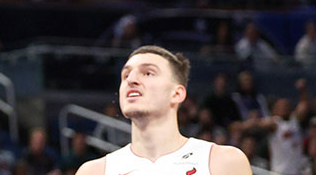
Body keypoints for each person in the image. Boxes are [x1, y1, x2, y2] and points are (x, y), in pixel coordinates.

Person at [75, 45, 251, 174]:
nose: (131, 80)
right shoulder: (94, 171)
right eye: (126, 75)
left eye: (148, 73)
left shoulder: (223, 163)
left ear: (177, 94)